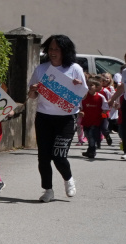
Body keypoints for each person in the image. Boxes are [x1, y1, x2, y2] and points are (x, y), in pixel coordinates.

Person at [27, 34, 85, 200]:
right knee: (43, 157)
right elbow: (32, 96)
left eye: (57, 49)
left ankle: (68, 179)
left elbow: (83, 93)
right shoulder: (41, 69)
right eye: (50, 49)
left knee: (59, 155)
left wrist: (78, 86)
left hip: (66, 117)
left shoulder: (75, 69)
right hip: (44, 117)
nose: (53, 52)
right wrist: (33, 89)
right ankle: (48, 190)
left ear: (65, 51)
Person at [81, 77, 110, 160]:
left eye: (91, 85)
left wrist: (103, 113)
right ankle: (90, 150)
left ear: (96, 87)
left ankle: (92, 152)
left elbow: (105, 107)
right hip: (86, 120)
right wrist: (80, 112)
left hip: (96, 121)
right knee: (87, 135)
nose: (89, 87)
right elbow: (79, 107)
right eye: (88, 85)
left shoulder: (100, 97)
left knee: (91, 136)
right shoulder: (83, 97)